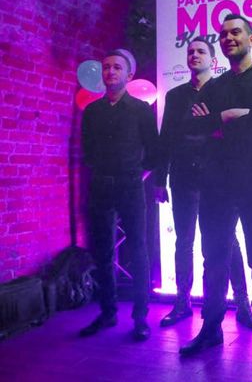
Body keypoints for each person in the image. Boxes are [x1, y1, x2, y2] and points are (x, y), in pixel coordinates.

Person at [177, 14, 252, 367]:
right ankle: (211, 329)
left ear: (251, 39)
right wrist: (226, 117)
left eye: (236, 32)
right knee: (213, 261)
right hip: (217, 184)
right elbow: (194, 125)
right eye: (223, 34)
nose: (228, 38)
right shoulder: (215, 85)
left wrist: (216, 122)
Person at [155, 37, 252, 329]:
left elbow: (234, 131)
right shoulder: (175, 96)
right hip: (183, 177)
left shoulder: (224, 89)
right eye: (190, 51)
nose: (194, 55)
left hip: (218, 178)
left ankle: (243, 303)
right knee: (183, 241)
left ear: (212, 60)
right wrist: (160, 179)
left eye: (201, 51)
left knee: (228, 240)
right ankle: (182, 302)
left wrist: (209, 123)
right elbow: (167, 138)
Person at [80, 50, 159, 341]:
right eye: (106, 67)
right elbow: (87, 151)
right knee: (102, 250)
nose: (110, 71)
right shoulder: (92, 111)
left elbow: (154, 151)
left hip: (130, 186)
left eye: (117, 67)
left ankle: (140, 317)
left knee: (138, 249)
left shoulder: (140, 110)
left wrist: (137, 176)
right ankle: (107, 312)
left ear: (129, 75)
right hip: (100, 185)